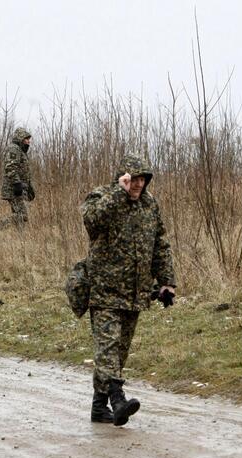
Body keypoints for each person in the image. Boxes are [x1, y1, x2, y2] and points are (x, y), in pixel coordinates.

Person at [80, 152, 176, 426]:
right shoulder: (102, 197)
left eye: (143, 180)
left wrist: (167, 281)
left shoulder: (149, 206)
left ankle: (99, 408)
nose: (138, 185)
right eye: (133, 179)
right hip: (104, 291)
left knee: (118, 352)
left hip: (135, 293)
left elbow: (160, 244)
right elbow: (92, 222)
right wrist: (118, 194)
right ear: (123, 178)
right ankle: (117, 400)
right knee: (108, 347)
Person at [0, 127, 35, 232]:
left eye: (29, 139)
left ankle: (20, 241)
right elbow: (10, 167)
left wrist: (30, 189)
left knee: (19, 217)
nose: (29, 141)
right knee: (22, 215)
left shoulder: (21, 151)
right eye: (26, 139)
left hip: (20, 189)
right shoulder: (14, 148)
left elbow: (24, 172)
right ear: (20, 138)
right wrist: (17, 184)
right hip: (13, 189)